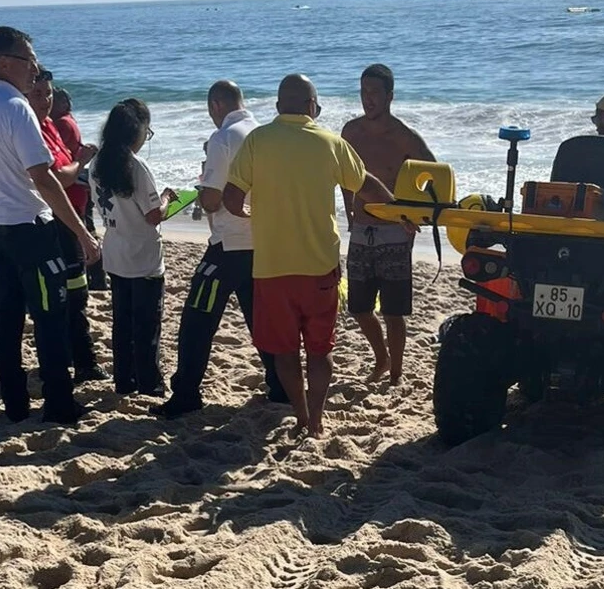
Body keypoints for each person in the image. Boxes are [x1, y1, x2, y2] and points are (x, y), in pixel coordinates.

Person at [223, 73, 399, 438]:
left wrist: (253, 216)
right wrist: (400, 210)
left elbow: (230, 199)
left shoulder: (257, 140)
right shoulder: (330, 142)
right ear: (311, 107)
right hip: (319, 268)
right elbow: (366, 186)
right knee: (320, 352)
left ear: (277, 107)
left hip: (271, 268)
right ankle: (317, 419)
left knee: (285, 353)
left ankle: (301, 415)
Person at [0, 26, 99, 424]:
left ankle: (15, 404)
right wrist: (83, 233)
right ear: (5, 63)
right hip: (26, 228)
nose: (34, 71)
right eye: (29, 62)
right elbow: (45, 177)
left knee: (7, 317)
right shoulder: (15, 107)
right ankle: (58, 403)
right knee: (50, 316)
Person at [160, 81, 286, 419]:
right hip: (262, 240)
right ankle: (280, 386)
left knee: (197, 319)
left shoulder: (223, 137)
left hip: (228, 244)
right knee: (260, 320)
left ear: (216, 105)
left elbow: (213, 198)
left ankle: (186, 392)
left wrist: (201, 188)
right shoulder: (262, 133)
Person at [341, 64, 435, 386]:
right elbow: (344, 175)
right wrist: (347, 208)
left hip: (395, 233)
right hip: (360, 231)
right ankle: (381, 358)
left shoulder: (405, 137)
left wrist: (416, 215)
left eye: (375, 93)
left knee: (394, 312)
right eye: (363, 92)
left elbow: (435, 178)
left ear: (389, 96)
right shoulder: (350, 132)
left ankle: (395, 375)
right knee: (359, 308)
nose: (368, 99)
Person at [92, 98, 178, 398]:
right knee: (147, 325)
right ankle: (149, 383)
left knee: (122, 323)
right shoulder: (136, 166)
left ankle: (124, 380)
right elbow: (153, 214)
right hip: (143, 256)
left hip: (115, 250)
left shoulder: (97, 163)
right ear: (136, 132)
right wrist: (168, 198)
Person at [26, 69, 106, 383]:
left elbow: (62, 169)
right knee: (68, 296)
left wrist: (76, 162)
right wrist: (81, 162)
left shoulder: (50, 125)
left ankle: (79, 359)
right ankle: (81, 362)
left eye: (48, 95)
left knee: (76, 293)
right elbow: (56, 178)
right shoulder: (31, 128)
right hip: (56, 221)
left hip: (70, 216)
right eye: (37, 95)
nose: (44, 101)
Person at [52, 87, 107, 291]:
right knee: (85, 229)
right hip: (77, 182)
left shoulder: (62, 123)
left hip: (74, 184)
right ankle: (97, 277)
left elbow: (62, 156)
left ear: (64, 104)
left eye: (54, 101)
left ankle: (97, 277)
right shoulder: (67, 121)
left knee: (81, 232)